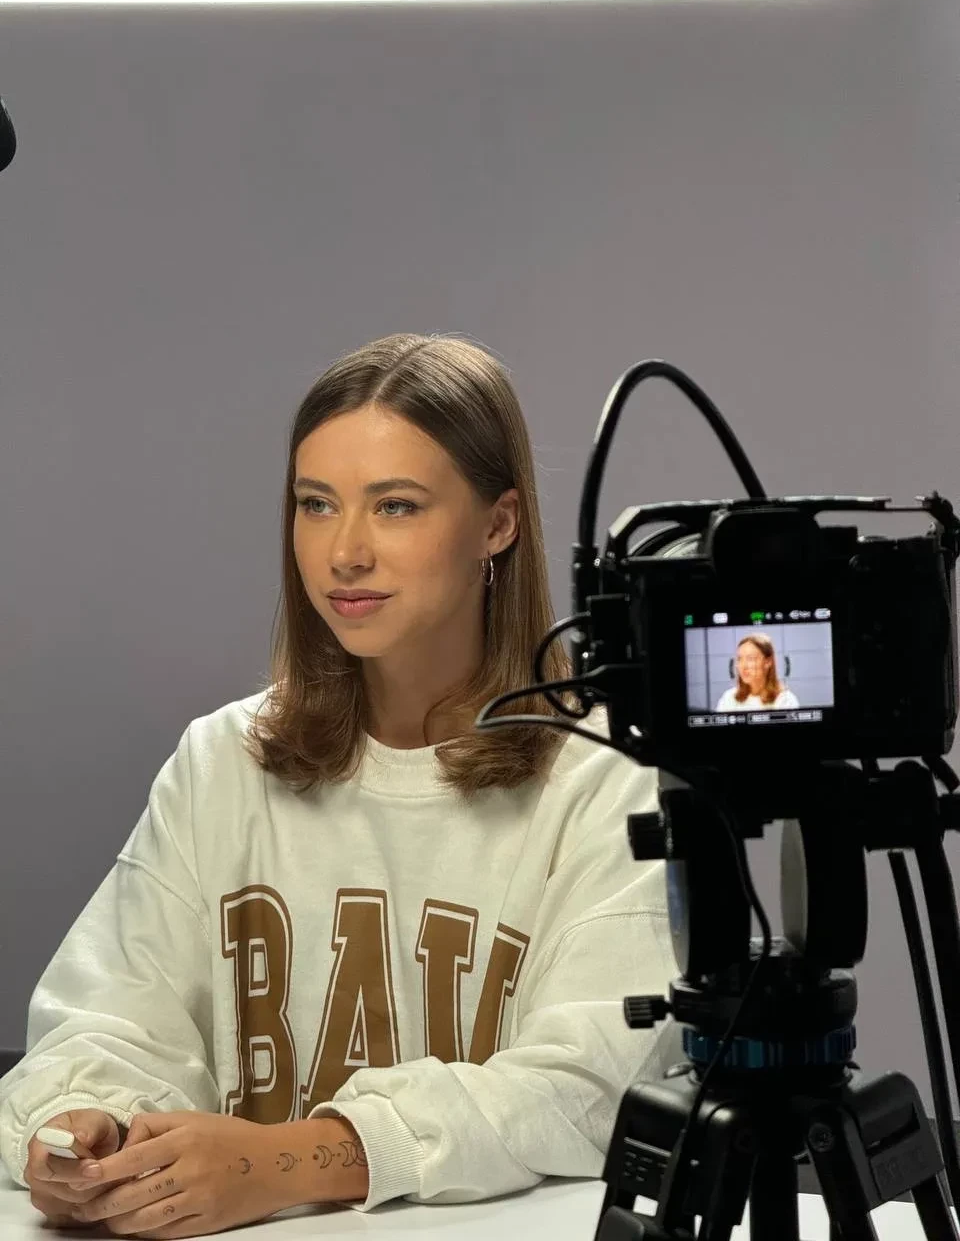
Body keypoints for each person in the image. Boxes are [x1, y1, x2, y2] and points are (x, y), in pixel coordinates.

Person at [0, 334, 678, 1238]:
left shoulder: (605, 773)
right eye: (316, 504)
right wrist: (88, 1132)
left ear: (498, 524)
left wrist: (289, 1161)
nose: (344, 552)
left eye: (395, 506)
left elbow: (593, 1084)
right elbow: (106, 1019)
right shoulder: (223, 761)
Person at [715, 633, 799, 712]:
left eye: (750, 659)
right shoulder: (729, 698)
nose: (743, 667)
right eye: (739, 659)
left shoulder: (785, 700)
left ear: (768, 662)